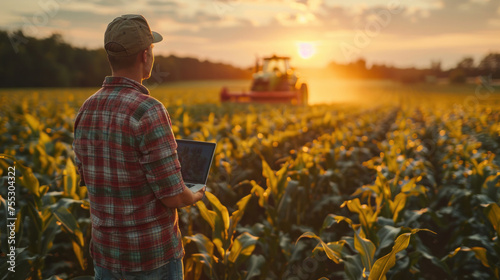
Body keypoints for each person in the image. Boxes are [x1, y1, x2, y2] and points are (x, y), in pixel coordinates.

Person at [72, 14, 205, 280]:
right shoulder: (148, 110)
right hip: (151, 258)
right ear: (145, 56)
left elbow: (85, 177)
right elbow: (173, 196)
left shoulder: (86, 108)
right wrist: (194, 194)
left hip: (106, 256)